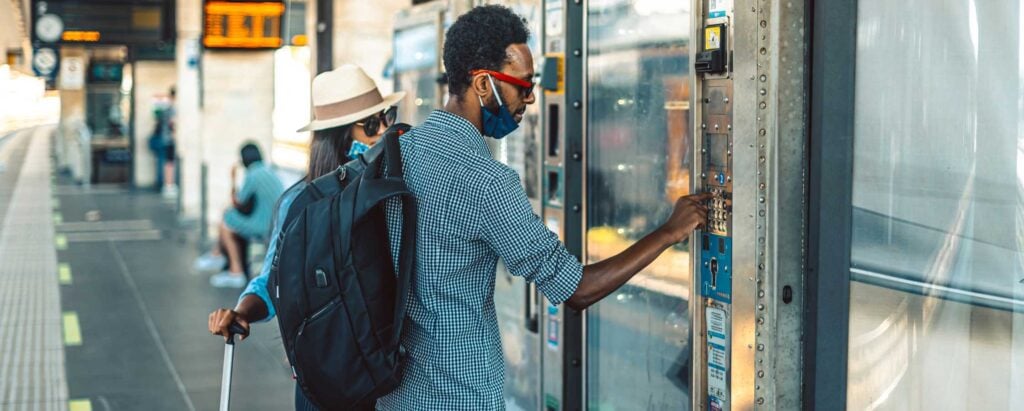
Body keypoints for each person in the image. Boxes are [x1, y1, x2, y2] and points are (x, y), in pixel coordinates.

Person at [373, 6, 710, 409]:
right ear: (482, 84)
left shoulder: (397, 152)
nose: (531, 98)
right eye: (522, 86)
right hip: (457, 396)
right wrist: (669, 231)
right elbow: (577, 289)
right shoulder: (487, 182)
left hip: (396, 394)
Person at [207, 64, 404, 409]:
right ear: (346, 135)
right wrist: (241, 312)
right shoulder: (301, 205)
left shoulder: (392, 190)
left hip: (385, 375)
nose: (387, 129)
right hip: (333, 379)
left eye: (388, 115)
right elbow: (272, 282)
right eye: (377, 122)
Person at [197, 143, 284, 288]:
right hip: (276, 224)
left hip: (263, 226)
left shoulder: (253, 174)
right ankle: (217, 254)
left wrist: (232, 178)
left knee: (226, 219)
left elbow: (238, 201)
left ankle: (234, 271)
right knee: (229, 216)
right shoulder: (269, 170)